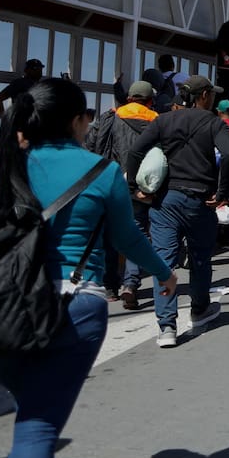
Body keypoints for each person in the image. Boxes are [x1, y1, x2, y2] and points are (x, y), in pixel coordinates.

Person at [0, 78, 176, 458]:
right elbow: (126, 239)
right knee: (36, 427)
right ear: (75, 121)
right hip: (74, 307)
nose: (90, 127)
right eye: (88, 119)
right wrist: (164, 274)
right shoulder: (100, 172)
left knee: (32, 408)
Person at [127, 75, 229, 348]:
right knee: (200, 259)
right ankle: (200, 310)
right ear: (202, 96)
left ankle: (167, 326)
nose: (213, 99)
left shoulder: (163, 120)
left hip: (165, 201)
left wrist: (134, 189)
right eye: (211, 94)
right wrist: (222, 193)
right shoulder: (214, 122)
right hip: (200, 201)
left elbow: (135, 151)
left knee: (164, 261)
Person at [85, 80, 159, 308]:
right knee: (136, 232)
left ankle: (110, 287)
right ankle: (130, 283)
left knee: (107, 234)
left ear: (129, 98)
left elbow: (90, 146)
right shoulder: (157, 120)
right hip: (140, 187)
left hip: (110, 183)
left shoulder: (111, 117)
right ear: (149, 101)